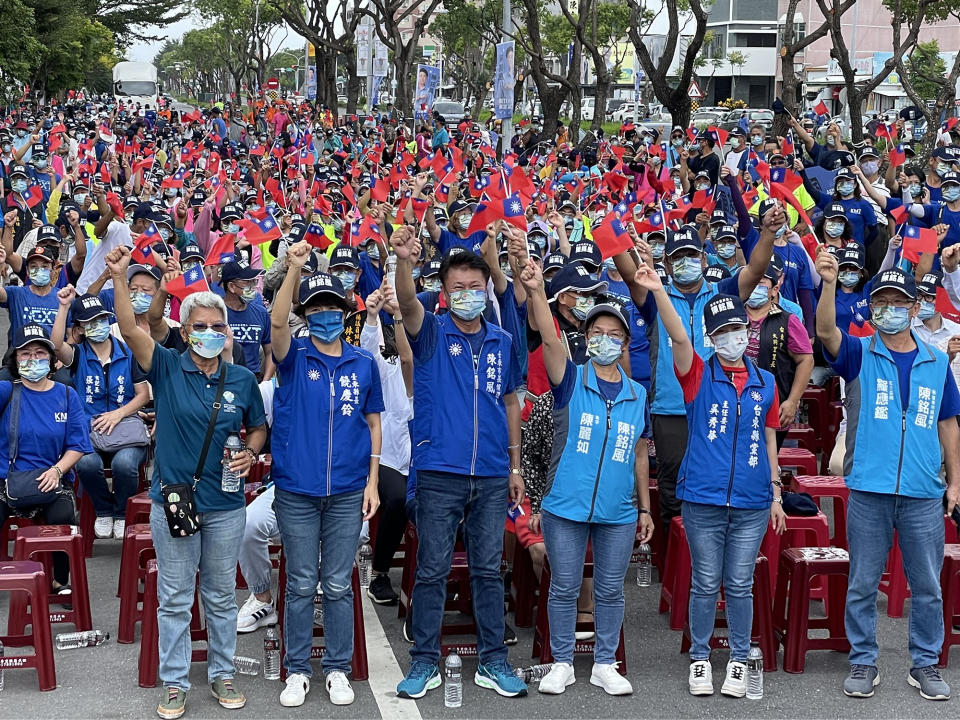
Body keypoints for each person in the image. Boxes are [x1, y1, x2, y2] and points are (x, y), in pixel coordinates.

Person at [106, 246, 267, 720]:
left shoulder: (242, 378)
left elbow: (257, 426)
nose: (211, 334)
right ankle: (175, 683)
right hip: (174, 501)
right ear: (185, 330)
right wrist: (119, 279)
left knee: (220, 595)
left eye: (218, 328)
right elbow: (134, 328)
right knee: (175, 598)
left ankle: (221, 673)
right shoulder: (168, 367)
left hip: (226, 504)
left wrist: (252, 451)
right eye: (200, 326)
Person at [390, 226, 527, 700]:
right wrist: (403, 260)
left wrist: (514, 466)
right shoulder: (429, 333)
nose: (467, 295)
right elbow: (407, 302)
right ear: (444, 295)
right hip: (439, 473)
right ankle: (424, 661)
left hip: (491, 474)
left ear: (486, 289)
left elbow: (510, 401)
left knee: (489, 570)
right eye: (457, 289)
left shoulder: (503, 341)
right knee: (432, 569)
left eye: (475, 287)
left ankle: (494, 660)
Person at [816, 254, 960, 701]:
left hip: (921, 491)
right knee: (862, 582)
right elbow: (824, 331)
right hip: (869, 490)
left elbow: (949, 423)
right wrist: (827, 284)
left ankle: (926, 663)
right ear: (873, 309)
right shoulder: (859, 352)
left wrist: (955, 482)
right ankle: (863, 661)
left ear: (915, 308)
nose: (890, 310)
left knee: (927, 585)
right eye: (882, 303)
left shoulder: (936, 362)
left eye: (899, 302)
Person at [642, 273, 786, 698]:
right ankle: (701, 658)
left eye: (735, 329)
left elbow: (769, 436)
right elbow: (679, 339)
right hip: (703, 500)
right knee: (706, 582)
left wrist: (776, 493)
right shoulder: (697, 376)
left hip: (752, 503)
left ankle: (739, 660)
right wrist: (656, 292)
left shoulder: (767, 383)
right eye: (721, 332)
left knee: (739, 583)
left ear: (747, 330)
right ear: (711, 337)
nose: (730, 338)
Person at [519, 258, 654, 696]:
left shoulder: (638, 395)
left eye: (615, 335)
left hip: (618, 510)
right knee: (564, 586)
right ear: (586, 338)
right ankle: (560, 662)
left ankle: (604, 663)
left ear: (626, 342)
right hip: (566, 504)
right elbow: (548, 335)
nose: (606, 341)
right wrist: (538, 291)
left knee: (612, 590)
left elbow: (637, 452)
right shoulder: (570, 381)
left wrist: (645, 507)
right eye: (597, 334)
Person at [269, 241, 383, 708]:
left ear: (344, 311)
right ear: (307, 315)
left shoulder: (362, 362)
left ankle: (337, 668)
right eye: (315, 309)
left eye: (332, 308)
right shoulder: (293, 356)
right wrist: (295, 269)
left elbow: (374, 423)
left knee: (337, 583)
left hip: (348, 491)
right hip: (297, 489)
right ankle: (297, 670)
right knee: (299, 582)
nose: (325, 316)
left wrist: (373, 481)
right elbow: (277, 322)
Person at [0, 324, 92, 599]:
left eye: (39, 353)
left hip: (54, 477)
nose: (32, 360)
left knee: (62, 517)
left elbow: (78, 446)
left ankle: (59, 580)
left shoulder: (66, 395)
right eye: (24, 354)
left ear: (52, 360)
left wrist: (57, 470)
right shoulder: (7, 391)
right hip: (8, 479)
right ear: (15, 359)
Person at [51, 289, 150, 540]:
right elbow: (56, 345)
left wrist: (118, 414)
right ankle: (103, 510)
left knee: (125, 465)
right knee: (85, 463)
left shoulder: (128, 353)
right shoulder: (78, 355)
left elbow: (143, 395)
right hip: (89, 429)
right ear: (81, 328)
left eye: (103, 319)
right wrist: (63, 307)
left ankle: (120, 513)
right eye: (91, 322)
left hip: (126, 426)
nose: (99, 325)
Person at [360, 281, 415, 605]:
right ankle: (380, 573)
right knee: (397, 499)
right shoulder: (387, 365)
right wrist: (375, 315)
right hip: (390, 457)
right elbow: (378, 349)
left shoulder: (436, 364)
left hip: (426, 456)